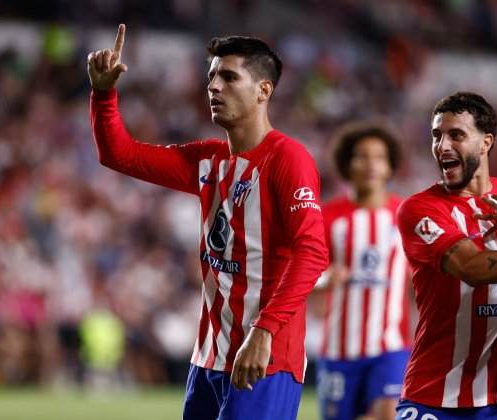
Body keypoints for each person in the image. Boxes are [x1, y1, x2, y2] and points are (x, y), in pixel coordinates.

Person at [87, 24, 328, 420]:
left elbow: (313, 252)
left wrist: (263, 331)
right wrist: (103, 94)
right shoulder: (208, 159)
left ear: (263, 91)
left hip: (264, 356)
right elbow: (120, 154)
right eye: (211, 76)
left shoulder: (288, 159)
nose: (214, 86)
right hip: (208, 358)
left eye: (229, 77)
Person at [395, 92, 497, 419]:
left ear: (486, 142)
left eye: (456, 135)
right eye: (436, 136)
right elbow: (472, 267)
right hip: (434, 394)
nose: (442, 146)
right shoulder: (419, 209)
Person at [314, 123, 410, 420]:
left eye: (379, 157)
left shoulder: (407, 217)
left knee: (387, 414)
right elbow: (301, 275)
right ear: (346, 164)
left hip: (390, 346)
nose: (370, 165)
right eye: (361, 156)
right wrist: (325, 279)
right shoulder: (328, 217)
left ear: (390, 166)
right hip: (339, 349)